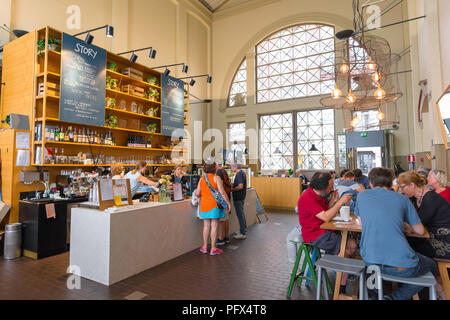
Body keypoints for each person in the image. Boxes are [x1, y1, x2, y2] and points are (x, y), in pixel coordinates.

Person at [354, 167, 440, 300]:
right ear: (391, 183)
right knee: (433, 266)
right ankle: (395, 297)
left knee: (373, 271)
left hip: (370, 262)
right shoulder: (402, 199)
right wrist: (402, 223)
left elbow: (360, 221)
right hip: (402, 265)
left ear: (370, 183)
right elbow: (420, 231)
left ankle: (376, 295)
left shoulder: (362, 195)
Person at [297, 172, 355, 293]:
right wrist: (340, 202)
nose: (332, 188)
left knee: (351, 245)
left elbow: (324, 211)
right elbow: (325, 217)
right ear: (323, 187)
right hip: (316, 235)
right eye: (330, 186)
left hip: (324, 230)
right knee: (346, 250)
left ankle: (343, 270)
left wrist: (333, 202)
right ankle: (341, 288)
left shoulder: (321, 195)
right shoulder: (308, 197)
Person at [397, 171, 450, 260]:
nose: (400, 190)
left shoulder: (430, 198)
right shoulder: (415, 198)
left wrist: (402, 223)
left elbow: (418, 228)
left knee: (405, 247)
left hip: (443, 240)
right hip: (431, 235)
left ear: (412, 185)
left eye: (402, 187)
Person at [195, 162, 231, 255]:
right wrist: (228, 202)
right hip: (215, 205)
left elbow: (198, 193)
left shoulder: (202, 179)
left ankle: (204, 247)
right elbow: (222, 192)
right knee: (214, 225)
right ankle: (213, 248)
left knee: (206, 226)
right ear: (214, 168)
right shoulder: (216, 178)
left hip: (204, 206)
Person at [216, 162, 232, 246]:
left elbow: (220, 187)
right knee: (226, 219)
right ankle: (226, 237)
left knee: (222, 220)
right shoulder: (224, 171)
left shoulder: (219, 172)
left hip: (222, 199)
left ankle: (221, 238)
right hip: (227, 196)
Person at [231, 164, 247, 240]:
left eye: (231, 166)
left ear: (236, 167)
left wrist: (232, 189)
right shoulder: (242, 173)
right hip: (241, 197)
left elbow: (240, 186)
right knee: (242, 214)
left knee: (240, 215)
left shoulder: (239, 174)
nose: (230, 168)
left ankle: (242, 233)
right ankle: (243, 229)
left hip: (238, 197)